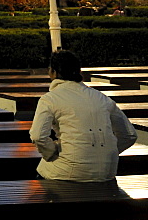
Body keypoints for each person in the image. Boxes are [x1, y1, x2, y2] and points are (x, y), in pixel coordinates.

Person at [29, 50, 137, 181]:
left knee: (40, 173)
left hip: (68, 172)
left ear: (53, 72)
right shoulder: (102, 98)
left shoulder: (50, 99)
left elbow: (37, 136)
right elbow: (130, 135)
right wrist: (107, 153)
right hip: (107, 172)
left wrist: (51, 153)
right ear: (79, 71)